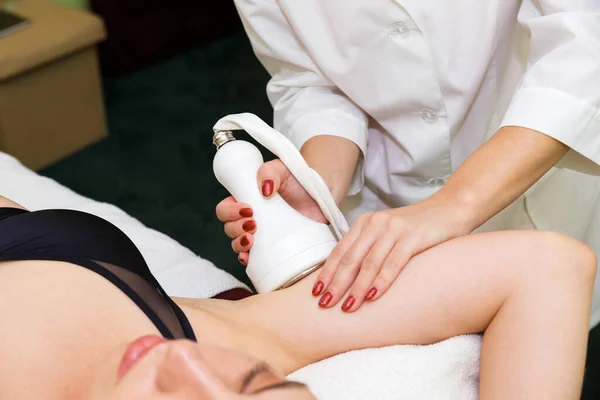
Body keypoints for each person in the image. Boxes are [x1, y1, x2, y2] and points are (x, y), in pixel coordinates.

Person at [0, 194, 596, 399]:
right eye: (257, 383)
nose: (176, 358)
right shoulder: (226, 345)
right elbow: (549, 264)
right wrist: (456, 205)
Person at [221, 1, 600, 314]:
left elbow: (583, 45)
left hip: (531, 165)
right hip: (382, 211)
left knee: (546, 315)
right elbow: (310, 82)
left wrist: (454, 204)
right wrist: (318, 181)